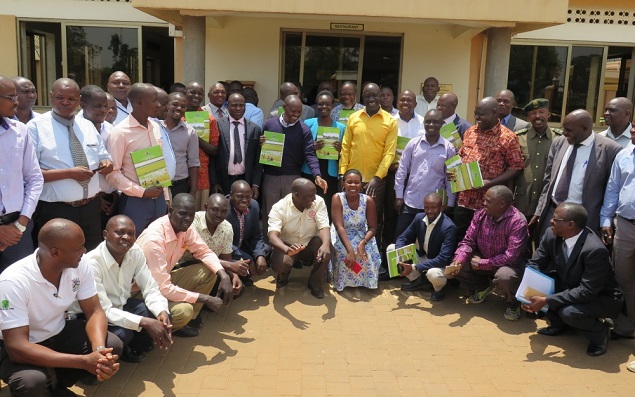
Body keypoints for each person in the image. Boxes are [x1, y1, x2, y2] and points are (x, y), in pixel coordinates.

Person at [0, 219, 122, 396]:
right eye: (78, 248)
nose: (84, 251)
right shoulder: (13, 282)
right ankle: (47, 384)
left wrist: (99, 353)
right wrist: (83, 361)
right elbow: (17, 347)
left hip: (57, 331)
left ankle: (56, 385)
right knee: (32, 382)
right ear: (55, 253)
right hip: (16, 347)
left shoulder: (80, 264)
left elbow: (94, 311)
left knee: (112, 344)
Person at [521, 203, 623, 357]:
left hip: (601, 298)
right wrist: (528, 291)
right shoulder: (551, 234)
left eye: (555, 218)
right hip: (571, 285)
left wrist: (546, 300)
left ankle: (600, 334)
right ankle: (560, 325)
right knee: (545, 285)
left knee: (569, 312)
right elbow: (535, 263)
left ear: (570, 225)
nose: (550, 221)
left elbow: (587, 291)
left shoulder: (594, 250)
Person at [28, 78, 113, 251]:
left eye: (71, 99)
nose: (65, 102)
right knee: (58, 260)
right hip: (56, 210)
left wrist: (106, 164)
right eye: (60, 97)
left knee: (90, 258)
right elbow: (31, 174)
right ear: (51, 96)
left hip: (90, 208)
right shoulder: (35, 127)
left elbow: (104, 156)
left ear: (79, 100)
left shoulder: (87, 126)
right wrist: (69, 173)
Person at [136, 193, 233, 338]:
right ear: (170, 211)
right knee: (184, 311)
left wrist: (223, 275)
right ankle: (146, 335)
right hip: (139, 292)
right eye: (182, 213)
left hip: (161, 282)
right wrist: (205, 298)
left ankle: (184, 322)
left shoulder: (184, 229)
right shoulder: (154, 240)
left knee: (209, 271)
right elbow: (163, 288)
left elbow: (204, 252)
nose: (187, 219)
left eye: (191, 214)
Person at [82, 215, 172, 363]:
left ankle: (134, 347)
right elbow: (103, 310)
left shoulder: (135, 251)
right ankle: (93, 370)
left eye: (131, 233)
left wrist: (162, 311)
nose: (126, 237)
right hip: (95, 314)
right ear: (105, 235)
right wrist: (144, 322)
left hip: (121, 305)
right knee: (123, 335)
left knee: (160, 315)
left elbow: (150, 287)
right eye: (120, 232)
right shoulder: (91, 263)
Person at [531, 109, 622, 240]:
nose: (564, 133)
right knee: (546, 255)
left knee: (574, 258)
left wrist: (605, 221)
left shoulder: (610, 149)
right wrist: (540, 210)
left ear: (585, 128)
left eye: (569, 130)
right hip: (552, 213)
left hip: (582, 218)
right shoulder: (559, 142)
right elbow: (548, 181)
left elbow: (612, 191)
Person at [339, 82, 398, 277]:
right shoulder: (354, 118)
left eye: (375, 95)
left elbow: (389, 154)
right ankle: (348, 260)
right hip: (352, 181)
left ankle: (374, 260)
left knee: (374, 223)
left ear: (381, 96)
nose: (372, 99)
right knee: (348, 221)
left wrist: (376, 178)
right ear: (362, 97)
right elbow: (346, 147)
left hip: (376, 182)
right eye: (368, 96)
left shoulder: (390, 121)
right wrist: (342, 173)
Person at [450, 186, 529, 321]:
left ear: (501, 204)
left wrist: (483, 264)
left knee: (505, 277)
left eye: (488, 200)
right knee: (460, 264)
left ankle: (513, 304)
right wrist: (459, 259)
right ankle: (483, 287)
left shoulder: (517, 221)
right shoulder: (480, 214)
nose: (483, 203)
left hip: (510, 265)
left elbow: (511, 256)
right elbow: (468, 241)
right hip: (484, 258)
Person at [451, 97, 525, 242]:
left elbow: (516, 167)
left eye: (481, 114)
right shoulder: (470, 132)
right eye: (475, 113)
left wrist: (490, 183)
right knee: (459, 239)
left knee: (484, 242)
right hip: (464, 199)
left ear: (494, 112)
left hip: (488, 204)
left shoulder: (508, 137)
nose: (477, 117)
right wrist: (453, 172)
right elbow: (461, 156)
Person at [106, 83, 167, 236]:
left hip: (158, 199)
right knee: (132, 247)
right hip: (135, 202)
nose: (158, 105)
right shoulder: (120, 132)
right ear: (139, 102)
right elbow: (112, 173)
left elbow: (159, 164)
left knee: (157, 242)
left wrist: (166, 197)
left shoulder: (155, 126)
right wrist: (142, 192)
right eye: (154, 100)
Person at [260, 94, 327, 233]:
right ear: (284, 108)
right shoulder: (269, 124)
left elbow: (310, 154)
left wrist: (317, 175)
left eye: (299, 112)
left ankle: (287, 248)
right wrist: (260, 144)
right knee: (270, 214)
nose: (296, 115)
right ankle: (269, 249)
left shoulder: (304, 130)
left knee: (290, 216)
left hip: (293, 179)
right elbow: (258, 152)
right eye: (292, 111)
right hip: (270, 177)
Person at [0, 76, 43, 272]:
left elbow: (34, 178)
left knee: (16, 292)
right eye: (11, 97)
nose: (16, 102)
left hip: (19, 228)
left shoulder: (20, 131)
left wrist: (22, 223)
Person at [394, 108, 455, 238]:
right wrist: (399, 195)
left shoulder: (448, 148)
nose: (431, 125)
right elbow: (402, 170)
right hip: (410, 201)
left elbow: (450, 177)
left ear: (442, 124)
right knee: (401, 239)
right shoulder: (413, 144)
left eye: (435, 122)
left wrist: (450, 202)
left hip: (432, 207)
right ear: (424, 123)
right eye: (428, 122)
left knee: (426, 244)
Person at [600, 122, 635, 339]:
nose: (632, 130)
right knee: (623, 279)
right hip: (625, 226)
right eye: (633, 127)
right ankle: (627, 325)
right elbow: (612, 189)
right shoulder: (624, 154)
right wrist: (606, 220)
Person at [268, 178, 331, 298]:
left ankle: (315, 282)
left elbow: (323, 226)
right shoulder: (279, 207)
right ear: (297, 195)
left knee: (326, 246)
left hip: (310, 244)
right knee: (280, 264)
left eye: (314, 194)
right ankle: (283, 274)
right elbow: (272, 236)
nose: (314, 199)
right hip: (288, 246)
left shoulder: (318, 202)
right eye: (310, 196)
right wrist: (287, 250)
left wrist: (325, 245)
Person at [392, 192, 457, 301]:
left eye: (433, 207)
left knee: (433, 274)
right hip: (425, 257)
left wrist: (413, 267)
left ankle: (439, 290)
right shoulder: (419, 218)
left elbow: (443, 259)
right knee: (392, 249)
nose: (429, 211)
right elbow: (402, 238)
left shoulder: (448, 227)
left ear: (441, 207)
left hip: (441, 264)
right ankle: (418, 281)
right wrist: (400, 254)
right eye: (426, 207)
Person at [178, 194, 243, 294]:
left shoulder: (227, 227)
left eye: (223, 211)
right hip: (187, 266)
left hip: (212, 269)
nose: (219, 214)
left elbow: (226, 257)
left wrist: (234, 276)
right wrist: (230, 265)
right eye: (214, 210)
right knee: (210, 276)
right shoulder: (193, 222)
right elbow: (196, 256)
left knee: (235, 289)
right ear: (205, 207)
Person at [384, 89, 425, 244]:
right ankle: (388, 256)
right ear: (397, 102)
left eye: (409, 100)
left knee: (412, 218)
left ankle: (408, 258)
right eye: (402, 100)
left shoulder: (423, 122)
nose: (405, 103)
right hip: (393, 175)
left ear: (415, 103)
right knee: (390, 216)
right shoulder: (389, 120)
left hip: (415, 178)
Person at [329, 169, 381, 292]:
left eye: (357, 182)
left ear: (361, 185)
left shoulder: (368, 200)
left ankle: (365, 282)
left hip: (362, 233)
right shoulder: (337, 198)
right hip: (342, 234)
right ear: (343, 184)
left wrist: (363, 242)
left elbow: (373, 227)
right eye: (349, 182)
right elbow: (339, 227)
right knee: (345, 255)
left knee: (367, 256)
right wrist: (350, 250)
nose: (353, 185)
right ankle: (343, 281)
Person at [513, 98, 561, 226]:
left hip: (548, 201)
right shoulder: (518, 138)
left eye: (541, 112)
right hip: (522, 200)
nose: (537, 116)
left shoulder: (559, 139)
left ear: (548, 115)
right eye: (533, 113)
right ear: (528, 117)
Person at [301, 90, 346, 213]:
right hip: (310, 172)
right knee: (308, 205)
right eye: (320, 104)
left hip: (330, 173)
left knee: (326, 206)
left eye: (327, 104)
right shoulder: (308, 124)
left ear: (332, 106)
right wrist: (311, 146)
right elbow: (301, 147)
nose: (324, 107)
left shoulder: (341, 127)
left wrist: (340, 150)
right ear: (316, 105)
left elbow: (346, 153)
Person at [212, 93, 263, 197]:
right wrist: (214, 182)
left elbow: (257, 161)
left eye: (241, 105)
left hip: (246, 179)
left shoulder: (254, 129)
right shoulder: (217, 125)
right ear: (227, 106)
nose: (238, 108)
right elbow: (213, 157)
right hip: (223, 180)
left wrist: (255, 184)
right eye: (234, 105)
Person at [226, 180, 270, 282]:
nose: (244, 200)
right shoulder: (224, 209)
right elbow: (224, 243)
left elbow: (256, 235)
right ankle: (238, 276)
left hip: (243, 245)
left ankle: (245, 274)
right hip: (226, 251)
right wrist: (248, 258)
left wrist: (260, 255)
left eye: (247, 197)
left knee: (266, 250)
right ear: (231, 195)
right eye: (240, 196)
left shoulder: (254, 206)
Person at [187, 81, 220, 210]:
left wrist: (194, 136)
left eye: (199, 93)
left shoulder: (209, 119)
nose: (196, 96)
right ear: (185, 93)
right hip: (179, 176)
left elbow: (214, 150)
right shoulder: (176, 116)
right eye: (192, 92)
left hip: (201, 177)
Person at [163, 92, 199, 197]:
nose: (179, 108)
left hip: (180, 185)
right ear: (166, 105)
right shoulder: (155, 127)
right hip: (158, 186)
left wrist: (193, 191)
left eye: (183, 106)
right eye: (175, 104)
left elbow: (193, 163)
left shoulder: (190, 132)